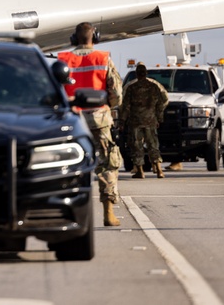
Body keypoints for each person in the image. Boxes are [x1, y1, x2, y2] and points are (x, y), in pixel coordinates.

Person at [57, 22, 124, 226]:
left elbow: (55, 91)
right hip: (99, 120)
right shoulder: (103, 59)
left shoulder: (63, 60)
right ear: (95, 37)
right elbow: (117, 94)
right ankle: (108, 212)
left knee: (66, 167)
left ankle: (66, 213)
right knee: (107, 165)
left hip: (71, 121)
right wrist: (106, 105)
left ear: (73, 38)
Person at [119, 63, 168, 179]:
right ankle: (159, 170)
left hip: (135, 122)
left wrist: (122, 121)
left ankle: (140, 171)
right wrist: (159, 118)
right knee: (153, 145)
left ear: (136, 74)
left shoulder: (131, 88)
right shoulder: (154, 87)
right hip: (150, 121)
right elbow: (160, 104)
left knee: (137, 146)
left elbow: (126, 106)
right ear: (146, 73)